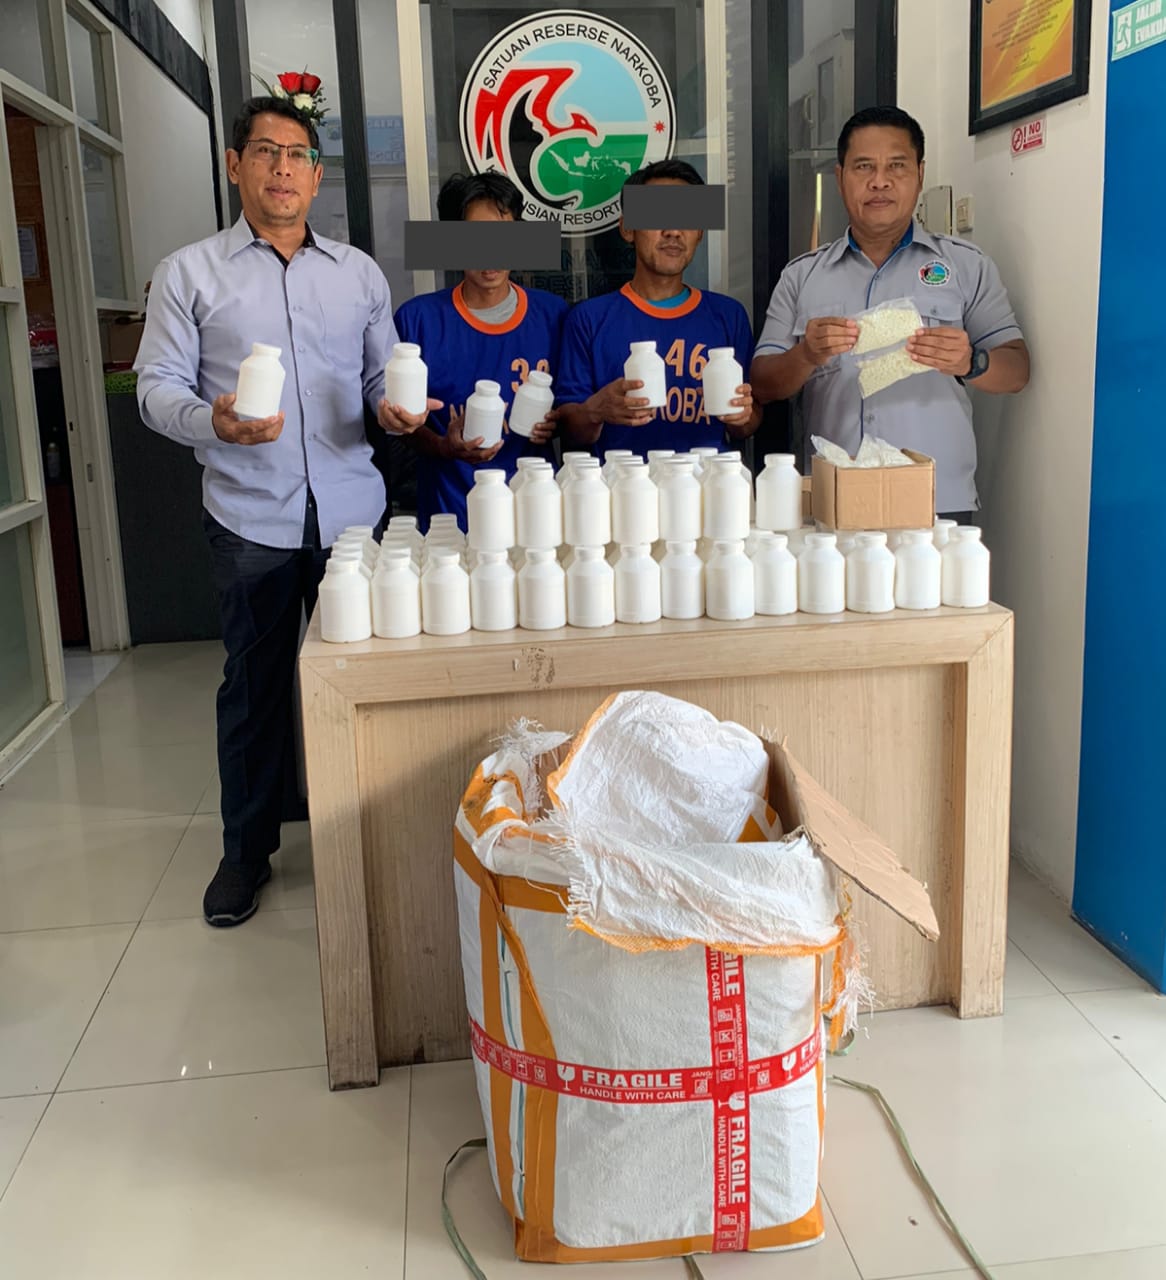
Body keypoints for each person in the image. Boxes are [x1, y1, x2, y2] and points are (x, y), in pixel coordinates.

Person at [135, 94, 435, 926]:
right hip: (250, 517)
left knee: (363, 682)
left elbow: (378, 377)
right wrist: (213, 421)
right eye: (265, 152)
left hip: (352, 518)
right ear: (235, 165)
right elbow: (155, 388)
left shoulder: (357, 273)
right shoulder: (189, 273)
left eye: (297, 154)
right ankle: (246, 853)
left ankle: (369, 834)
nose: (281, 168)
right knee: (255, 689)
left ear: (317, 174)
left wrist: (394, 411)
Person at [750, 106, 1030, 520]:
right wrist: (806, 355)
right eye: (864, 166)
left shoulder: (966, 266)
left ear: (920, 173)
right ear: (840, 177)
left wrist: (971, 361)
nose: (879, 181)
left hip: (937, 503)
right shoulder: (801, 276)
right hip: (836, 501)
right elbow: (762, 383)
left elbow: (1017, 371)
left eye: (896, 166)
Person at [386, 172, 567, 529]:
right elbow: (400, 428)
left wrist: (557, 422)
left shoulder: (553, 316)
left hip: (536, 519)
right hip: (450, 520)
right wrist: (443, 445)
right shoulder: (417, 320)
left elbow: (575, 409)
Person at [556, 160, 758, 457]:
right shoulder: (588, 319)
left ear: (700, 232)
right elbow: (568, 431)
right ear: (628, 229)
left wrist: (742, 416)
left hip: (705, 482)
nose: (673, 231)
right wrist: (595, 410)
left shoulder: (729, 316)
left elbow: (748, 425)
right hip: (619, 482)